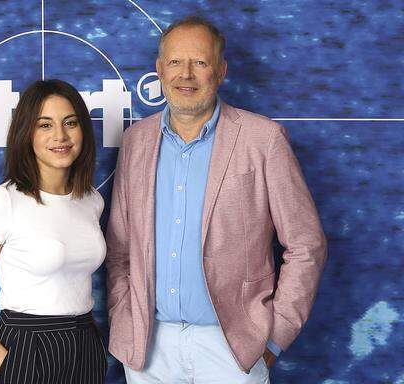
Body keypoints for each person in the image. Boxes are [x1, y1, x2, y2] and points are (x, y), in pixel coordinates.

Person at [105, 16, 327, 383]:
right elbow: (120, 249)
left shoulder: (263, 139)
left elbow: (306, 244)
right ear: (160, 70)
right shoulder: (136, 141)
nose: (186, 74)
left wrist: (274, 338)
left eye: (200, 62)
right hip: (148, 348)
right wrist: (124, 315)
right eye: (175, 62)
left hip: (233, 348)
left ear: (221, 71)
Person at [0, 79, 108, 384]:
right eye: (44, 125)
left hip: (85, 345)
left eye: (70, 123)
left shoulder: (91, 200)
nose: (60, 135)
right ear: (27, 134)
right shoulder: (3, 201)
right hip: (25, 348)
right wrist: (5, 364)